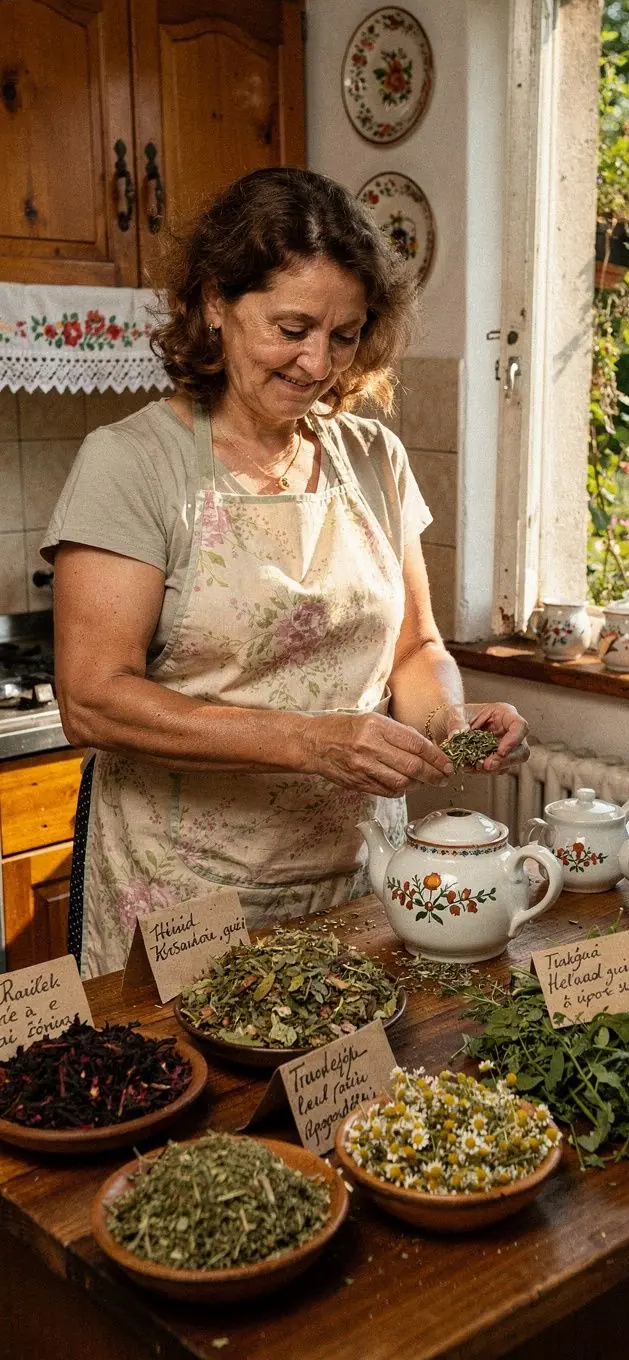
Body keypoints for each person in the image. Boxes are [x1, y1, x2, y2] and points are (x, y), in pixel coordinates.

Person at [43, 168, 530, 978]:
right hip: (187, 895)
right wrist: (311, 741)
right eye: (293, 328)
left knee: (363, 1092)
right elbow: (92, 698)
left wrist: (450, 720)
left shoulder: (373, 457)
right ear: (213, 304)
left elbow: (415, 649)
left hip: (364, 878)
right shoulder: (132, 464)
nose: (318, 363)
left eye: (344, 336)